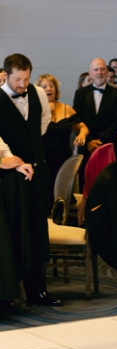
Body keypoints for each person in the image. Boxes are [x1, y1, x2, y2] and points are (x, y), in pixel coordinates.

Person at [0, 54, 60, 307]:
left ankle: (38, 291)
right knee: (14, 234)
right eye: (17, 80)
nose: (22, 85)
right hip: (10, 179)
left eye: (26, 79)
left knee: (37, 232)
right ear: (6, 75)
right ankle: (9, 294)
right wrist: (11, 158)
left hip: (38, 172)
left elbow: (43, 124)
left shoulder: (36, 93)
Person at [74, 58, 117, 154]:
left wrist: (100, 139)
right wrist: (89, 141)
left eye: (102, 69)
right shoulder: (80, 93)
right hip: (86, 146)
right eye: (96, 70)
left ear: (107, 72)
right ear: (90, 73)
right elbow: (77, 119)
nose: (99, 72)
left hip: (108, 145)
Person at [37, 74, 84, 176]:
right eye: (44, 87)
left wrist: (82, 134)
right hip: (43, 159)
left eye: (51, 86)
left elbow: (82, 127)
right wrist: (45, 112)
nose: (49, 89)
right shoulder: (35, 110)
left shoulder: (66, 108)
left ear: (56, 89)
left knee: (63, 189)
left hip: (64, 158)